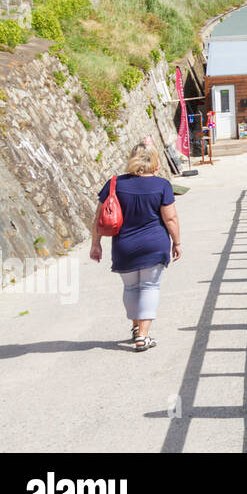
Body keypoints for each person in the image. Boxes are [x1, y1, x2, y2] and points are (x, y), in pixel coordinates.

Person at [90, 140, 181, 352]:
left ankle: (136, 328)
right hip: (154, 245)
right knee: (149, 286)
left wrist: (96, 244)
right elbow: (170, 219)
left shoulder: (115, 184)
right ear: (155, 161)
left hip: (124, 246)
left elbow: (99, 217)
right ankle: (143, 335)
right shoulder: (162, 186)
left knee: (131, 287)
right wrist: (177, 242)